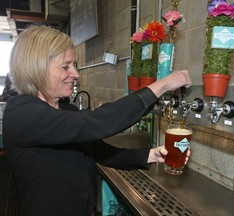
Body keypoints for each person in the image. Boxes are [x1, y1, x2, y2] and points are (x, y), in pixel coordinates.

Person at [3, 25, 192, 216]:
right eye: (65, 66)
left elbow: (101, 152)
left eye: (74, 65)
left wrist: (151, 155)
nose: (76, 74)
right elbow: (98, 122)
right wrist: (162, 85)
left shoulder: (66, 108)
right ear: (37, 68)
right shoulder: (21, 112)